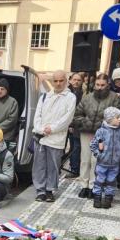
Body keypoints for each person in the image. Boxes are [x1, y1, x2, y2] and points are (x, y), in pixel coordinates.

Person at [72, 73, 120, 199]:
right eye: (97, 85)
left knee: (97, 161)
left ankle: (94, 186)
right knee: (85, 159)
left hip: (103, 134)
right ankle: (84, 185)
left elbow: (118, 117)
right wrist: (85, 122)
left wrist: (104, 126)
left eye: (102, 85)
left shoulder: (114, 98)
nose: (99, 87)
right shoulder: (87, 97)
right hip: (86, 132)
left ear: (107, 85)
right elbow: (77, 114)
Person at [31, 70, 77, 202]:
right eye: (55, 81)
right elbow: (37, 115)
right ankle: (40, 190)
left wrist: (52, 128)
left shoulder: (70, 97)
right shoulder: (45, 96)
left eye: (61, 80)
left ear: (65, 81)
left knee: (53, 166)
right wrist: (40, 129)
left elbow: (67, 118)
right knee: (39, 165)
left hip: (56, 138)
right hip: (41, 137)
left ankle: (49, 190)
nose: (58, 83)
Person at [90, 107, 120, 209]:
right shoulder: (101, 131)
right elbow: (93, 145)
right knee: (99, 180)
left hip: (115, 163)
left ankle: (108, 198)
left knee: (111, 181)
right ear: (110, 119)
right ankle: (97, 197)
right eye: (117, 117)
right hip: (102, 163)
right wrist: (99, 155)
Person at [66, 72, 84, 178]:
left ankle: (74, 169)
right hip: (64, 124)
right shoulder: (66, 92)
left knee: (75, 147)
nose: (76, 82)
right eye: (74, 79)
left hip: (76, 125)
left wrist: (72, 125)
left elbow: (78, 111)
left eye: (79, 80)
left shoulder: (83, 94)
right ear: (70, 80)